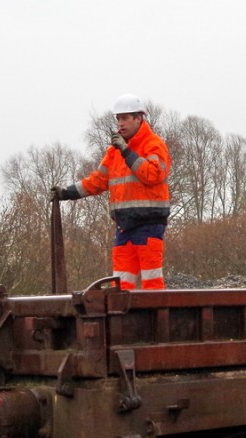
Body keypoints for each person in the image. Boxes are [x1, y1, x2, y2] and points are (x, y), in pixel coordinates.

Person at [51, 93, 171, 290]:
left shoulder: (153, 144)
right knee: (122, 284)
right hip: (124, 226)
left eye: (125, 118)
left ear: (138, 119)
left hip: (149, 224)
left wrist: (126, 151)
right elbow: (97, 180)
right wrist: (67, 193)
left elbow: (152, 174)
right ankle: (124, 320)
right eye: (118, 119)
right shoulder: (114, 151)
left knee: (151, 281)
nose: (120, 123)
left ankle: (156, 319)